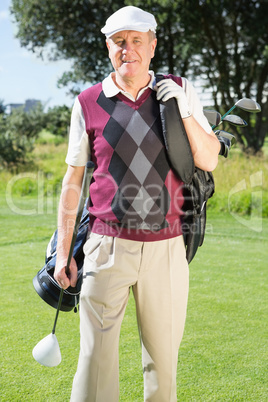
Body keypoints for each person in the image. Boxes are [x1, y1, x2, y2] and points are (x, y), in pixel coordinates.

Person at [54, 5, 220, 402]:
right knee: (95, 364)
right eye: (118, 42)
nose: (127, 49)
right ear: (108, 47)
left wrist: (182, 109)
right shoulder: (88, 102)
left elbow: (209, 158)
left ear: (152, 45)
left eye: (136, 41)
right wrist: (63, 253)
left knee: (163, 366)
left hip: (166, 249)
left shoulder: (178, 90)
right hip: (105, 247)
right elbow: (72, 181)